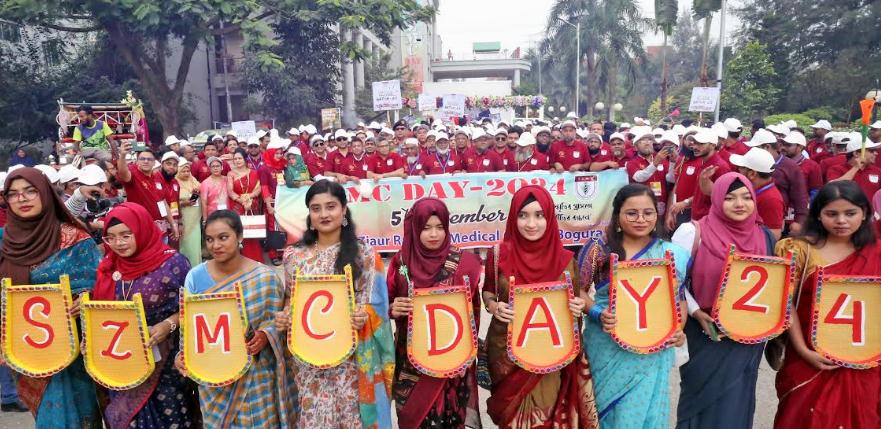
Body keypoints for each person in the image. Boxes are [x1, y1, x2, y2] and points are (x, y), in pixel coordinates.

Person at [274, 180, 394, 428]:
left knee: (351, 418)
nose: (324, 214)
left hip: (351, 360)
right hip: (307, 358)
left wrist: (364, 315)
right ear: (309, 214)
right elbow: (291, 300)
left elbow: (378, 308)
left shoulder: (365, 255)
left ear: (344, 210)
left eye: (331, 206)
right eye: (316, 208)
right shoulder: (294, 256)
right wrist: (285, 316)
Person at [482, 186, 599, 428]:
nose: (531, 223)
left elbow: (574, 301)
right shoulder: (498, 254)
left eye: (539, 215)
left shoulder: (566, 260)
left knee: (547, 417)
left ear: (550, 217)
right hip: (507, 354)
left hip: (550, 355)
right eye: (522, 215)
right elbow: (489, 292)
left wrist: (576, 307)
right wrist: (493, 306)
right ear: (513, 218)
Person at [577, 184, 689, 428]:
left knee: (645, 413)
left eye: (648, 213)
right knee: (606, 413)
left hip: (653, 349)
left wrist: (677, 330)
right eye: (632, 213)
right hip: (607, 345)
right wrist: (597, 313)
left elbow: (678, 298)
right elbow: (577, 290)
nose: (641, 219)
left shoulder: (671, 253)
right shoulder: (599, 248)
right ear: (617, 216)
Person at [773, 181, 881, 428]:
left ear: (864, 213)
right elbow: (786, 302)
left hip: (865, 359)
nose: (841, 221)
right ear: (818, 215)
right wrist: (803, 351)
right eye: (832, 214)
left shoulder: (877, 252)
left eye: (850, 213)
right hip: (810, 357)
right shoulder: (799, 250)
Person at [0, 168, 102, 426]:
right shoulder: (5, 241)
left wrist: (86, 298)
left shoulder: (75, 238)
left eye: (30, 191)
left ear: (45, 193)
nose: (22, 199)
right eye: (13, 194)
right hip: (26, 347)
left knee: (75, 415)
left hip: (73, 350)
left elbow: (98, 286)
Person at [672, 172, 775, 429]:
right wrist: (695, 312)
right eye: (729, 198)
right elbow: (673, 283)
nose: (739, 204)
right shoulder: (692, 232)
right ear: (717, 199)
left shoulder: (765, 237)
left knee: (737, 402)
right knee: (698, 400)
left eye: (746, 197)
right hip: (705, 332)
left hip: (747, 338)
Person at [174, 210, 293, 427]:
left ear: (239, 236)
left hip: (257, 378)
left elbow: (281, 323)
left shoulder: (265, 277)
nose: (215, 245)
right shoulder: (196, 277)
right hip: (214, 380)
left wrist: (266, 335)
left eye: (223, 237)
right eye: (209, 239)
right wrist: (183, 357)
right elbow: (190, 327)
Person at [92, 203, 201, 428]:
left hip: (167, 363)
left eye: (125, 235)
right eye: (110, 238)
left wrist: (168, 324)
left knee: (170, 416)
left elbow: (194, 308)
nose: (118, 243)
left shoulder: (174, 263)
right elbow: (101, 312)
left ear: (141, 230)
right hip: (124, 361)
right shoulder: (110, 267)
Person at [387, 198, 483, 428]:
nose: (434, 234)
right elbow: (385, 305)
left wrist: (464, 355)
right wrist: (393, 308)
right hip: (412, 363)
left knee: (450, 417)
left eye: (440, 227)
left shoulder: (464, 264)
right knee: (413, 418)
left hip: (452, 362)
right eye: (426, 228)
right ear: (415, 228)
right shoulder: (401, 263)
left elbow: (474, 313)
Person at [116, 141, 180, 241]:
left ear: (154, 162)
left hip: (161, 231)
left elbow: (162, 203)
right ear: (137, 161)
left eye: (149, 159)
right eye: (142, 159)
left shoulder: (157, 178)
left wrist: (173, 224)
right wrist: (123, 155)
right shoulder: (133, 174)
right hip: (143, 230)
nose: (146, 161)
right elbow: (123, 173)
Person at [731, 148, 786, 239]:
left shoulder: (771, 199)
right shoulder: (754, 190)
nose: (738, 170)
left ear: (752, 174)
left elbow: (774, 235)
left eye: (741, 168)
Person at [226, 148, 263, 262]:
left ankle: (255, 259)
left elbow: (259, 188)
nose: (237, 161)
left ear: (245, 159)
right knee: (239, 233)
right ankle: (240, 261)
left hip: (252, 204)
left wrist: (250, 197)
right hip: (237, 206)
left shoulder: (253, 172)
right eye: (235, 159)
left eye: (239, 158)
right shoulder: (231, 174)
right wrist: (242, 200)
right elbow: (230, 191)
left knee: (252, 232)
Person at [176, 159, 202, 266]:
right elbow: (172, 202)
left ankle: (196, 265)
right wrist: (184, 203)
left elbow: (201, 190)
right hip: (183, 217)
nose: (186, 173)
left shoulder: (193, 180)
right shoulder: (175, 182)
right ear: (178, 171)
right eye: (183, 171)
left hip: (195, 218)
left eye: (188, 171)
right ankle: (185, 267)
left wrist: (197, 192)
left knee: (195, 243)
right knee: (185, 243)